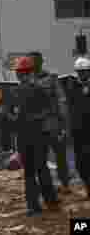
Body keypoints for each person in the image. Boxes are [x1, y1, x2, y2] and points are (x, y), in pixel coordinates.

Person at [7, 56, 61, 216]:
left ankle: (33, 206)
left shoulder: (14, 92)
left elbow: (8, 115)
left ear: (18, 74)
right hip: (38, 135)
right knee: (41, 168)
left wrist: (18, 119)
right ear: (31, 72)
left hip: (24, 137)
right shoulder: (39, 90)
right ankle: (50, 202)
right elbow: (49, 110)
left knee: (29, 172)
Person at [29, 51, 71, 194]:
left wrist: (64, 123)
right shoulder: (27, 80)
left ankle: (65, 183)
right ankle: (46, 187)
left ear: (41, 61)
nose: (32, 64)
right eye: (30, 61)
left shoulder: (51, 78)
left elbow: (61, 99)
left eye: (35, 61)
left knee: (60, 154)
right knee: (40, 158)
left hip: (53, 122)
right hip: (36, 125)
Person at [62, 56, 90, 201]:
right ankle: (87, 185)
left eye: (84, 71)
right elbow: (68, 109)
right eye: (80, 72)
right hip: (78, 131)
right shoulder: (71, 87)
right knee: (81, 162)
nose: (82, 74)